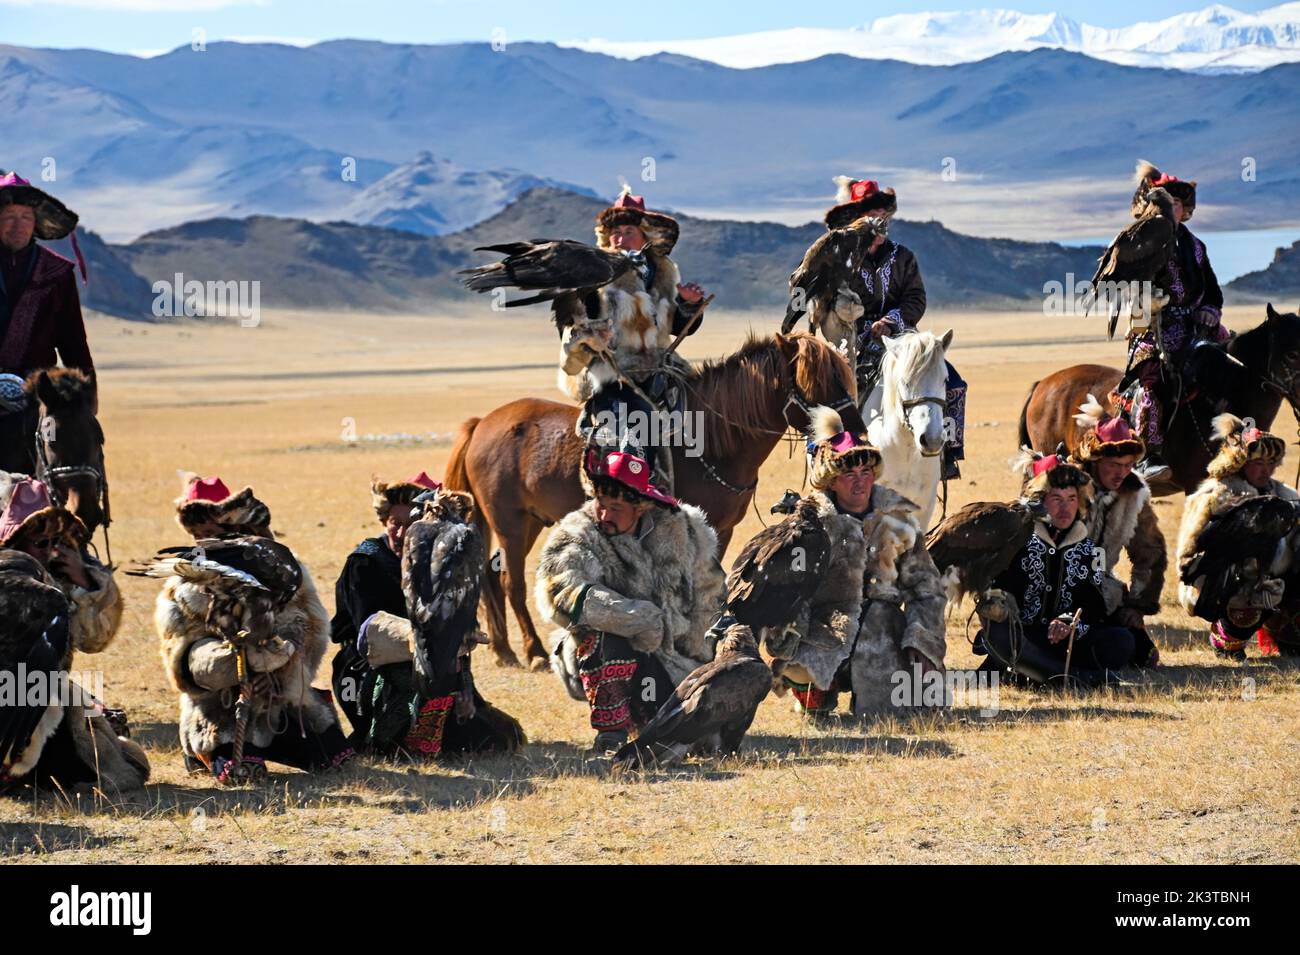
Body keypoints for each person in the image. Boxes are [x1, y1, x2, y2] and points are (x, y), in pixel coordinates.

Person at [157, 474, 353, 780]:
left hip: (279, 699)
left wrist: (278, 674)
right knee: (242, 771)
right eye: (195, 534)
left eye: (209, 532)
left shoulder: (281, 569)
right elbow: (180, 655)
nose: (202, 542)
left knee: (334, 759)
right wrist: (233, 666)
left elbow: (310, 629)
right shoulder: (182, 583)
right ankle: (207, 751)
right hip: (217, 707)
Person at [535, 448, 725, 753]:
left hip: (668, 659)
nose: (604, 515)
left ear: (642, 507)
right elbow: (563, 592)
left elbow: (710, 595)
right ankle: (612, 733)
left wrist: (703, 662)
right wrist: (637, 618)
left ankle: (660, 714)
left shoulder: (682, 529)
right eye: (601, 504)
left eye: (616, 507)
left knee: (690, 734)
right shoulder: (578, 532)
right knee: (603, 634)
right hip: (596, 654)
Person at [762, 407, 947, 718]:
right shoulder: (808, 526)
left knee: (907, 709)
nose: (860, 483)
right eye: (849, 474)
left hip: (882, 630)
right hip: (824, 628)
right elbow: (784, 590)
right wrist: (789, 632)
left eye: (866, 473)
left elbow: (928, 590)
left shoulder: (898, 522)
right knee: (802, 668)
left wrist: (920, 640)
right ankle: (817, 691)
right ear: (831, 481)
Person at [330, 473, 523, 757]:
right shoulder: (365, 562)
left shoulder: (440, 565)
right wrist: (421, 640)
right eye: (395, 524)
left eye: (411, 525)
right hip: (365, 666)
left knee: (492, 738)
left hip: (428, 660)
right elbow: (367, 631)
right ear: (384, 521)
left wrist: (461, 675)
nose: (401, 534)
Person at [787, 177, 967, 479]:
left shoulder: (904, 257)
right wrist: (854, 320)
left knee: (954, 381)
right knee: (830, 392)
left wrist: (892, 320)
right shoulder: (839, 261)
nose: (878, 224)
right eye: (870, 218)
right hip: (852, 341)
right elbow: (823, 304)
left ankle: (948, 452)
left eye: (882, 218)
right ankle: (820, 454)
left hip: (902, 339)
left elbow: (916, 298)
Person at [562, 188, 709, 490]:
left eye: (629, 231)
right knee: (643, 421)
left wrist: (687, 304)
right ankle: (627, 492)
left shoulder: (664, 273)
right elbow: (575, 320)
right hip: (614, 370)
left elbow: (682, 327)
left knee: (707, 406)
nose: (619, 238)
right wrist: (593, 332)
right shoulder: (596, 273)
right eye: (614, 232)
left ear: (646, 236)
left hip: (659, 367)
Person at [978, 451, 1134, 687]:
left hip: (1067, 643)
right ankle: (1072, 678)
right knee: (1006, 638)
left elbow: (1094, 604)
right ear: (1040, 500)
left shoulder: (1090, 549)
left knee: (1121, 641)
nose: (1065, 508)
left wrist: (1069, 622)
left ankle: (1035, 673)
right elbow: (998, 591)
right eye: (1056, 499)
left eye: (1071, 498)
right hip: (1023, 637)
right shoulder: (1016, 541)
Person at [1, 549, 148, 797]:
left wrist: (86, 584)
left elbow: (95, 641)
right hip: (27, 693)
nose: (47, 545)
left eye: (51, 541)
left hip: (40, 692)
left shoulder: (68, 574)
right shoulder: (39, 592)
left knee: (83, 742)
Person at [1123, 161, 1225, 485]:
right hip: (1149, 328)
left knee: (1232, 365)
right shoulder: (1140, 243)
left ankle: (1234, 440)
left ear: (1184, 209)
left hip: (1195, 327)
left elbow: (1212, 291)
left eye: (1177, 204)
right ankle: (1148, 454)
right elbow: (1129, 291)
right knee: (1153, 377)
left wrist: (1210, 310)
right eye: (1166, 204)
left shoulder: (1195, 246)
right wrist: (1149, 310)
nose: (1173, 209)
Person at [1175, 416, 1298, 660]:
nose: (1267, 470)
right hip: (1221, 586)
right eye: (1259, 463)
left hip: (1269, 580)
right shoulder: (1213, 495)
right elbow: (1187, 561)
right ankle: (1226, 635)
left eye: (1271, 462)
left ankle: (1286, 633)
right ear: (1240, 462)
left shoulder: (1284, 495)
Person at [1068, 397, 1167, 666]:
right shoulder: (1066, 486)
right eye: (1114, 465)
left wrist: (1137, 605)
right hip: (1060, 588)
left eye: (1128, 465)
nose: (1122, 472)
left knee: (1144, 657)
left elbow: (1150, 552)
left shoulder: (1133, 494)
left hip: (1104, 592)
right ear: (1096, 459)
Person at [0, 471, 121, 656]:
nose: (50, 550)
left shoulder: (58, 580)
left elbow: (93, 642)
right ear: (16, 543)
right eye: (41, 542)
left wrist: (84, 584)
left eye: (56, 540)